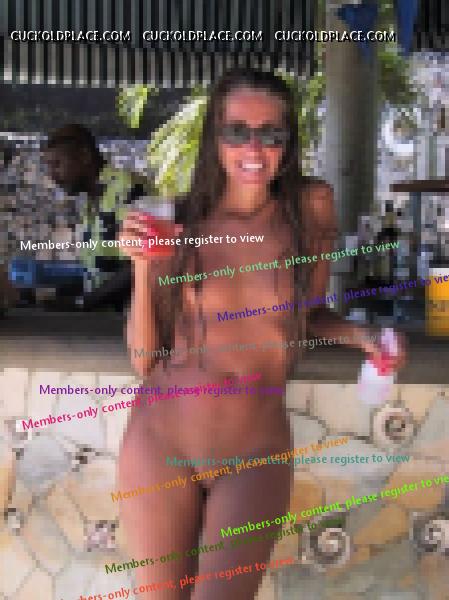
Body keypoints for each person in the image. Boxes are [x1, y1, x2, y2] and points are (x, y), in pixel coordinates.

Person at [118, 69, 405, 599]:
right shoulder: (179, 220)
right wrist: (141, 267)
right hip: (161, 439)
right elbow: (144, 360)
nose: (254, 149)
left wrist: (362, 335)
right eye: (237, 132)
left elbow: (308, 314)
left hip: (254, 451)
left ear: (288, 143)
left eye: (271, 134)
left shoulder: (309, 208)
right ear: (215, 137)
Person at [42, 124, 151, 310]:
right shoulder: (90, 202)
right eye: (49, 167)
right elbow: (100, 273)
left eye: (57, 164)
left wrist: (85, 302)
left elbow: (142, 263)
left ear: (85, 156)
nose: (53, 175)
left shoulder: (129, 188)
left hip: (133, 317)